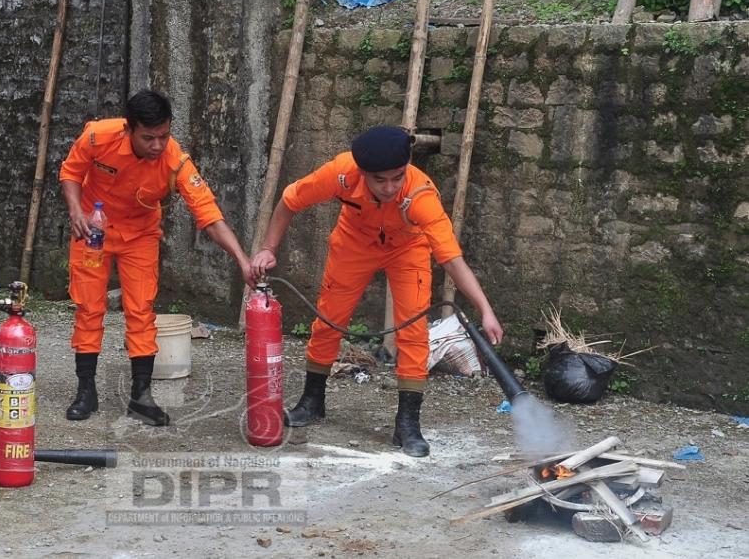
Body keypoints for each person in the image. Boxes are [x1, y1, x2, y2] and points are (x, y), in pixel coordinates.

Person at [250, 126, 503, 457]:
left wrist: (485, 309)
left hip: (408, 248)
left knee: (413, 331)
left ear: (407, 166)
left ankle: (407, 422)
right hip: (355, 242)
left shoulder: (422, 197)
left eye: (397, 178)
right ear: (362, 173)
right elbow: (289, 200)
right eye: (379, 180)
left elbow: (453, 261)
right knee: (329, 317)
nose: (389, 187)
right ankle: (312, 400)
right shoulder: (341, 173)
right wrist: (269, 248)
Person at [59, 90, 252, 426]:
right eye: (148, 138)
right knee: (89, 307)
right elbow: (71, 172)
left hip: (141, 237)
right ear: (128, 129)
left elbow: (209, 215)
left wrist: (242, 259)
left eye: (164, 135)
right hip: (94, 231)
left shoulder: (176, 162)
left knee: (141, 310)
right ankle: (86, 390)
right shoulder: (98, 136)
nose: (158, 145)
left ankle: (141, 396)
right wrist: (76, 210)